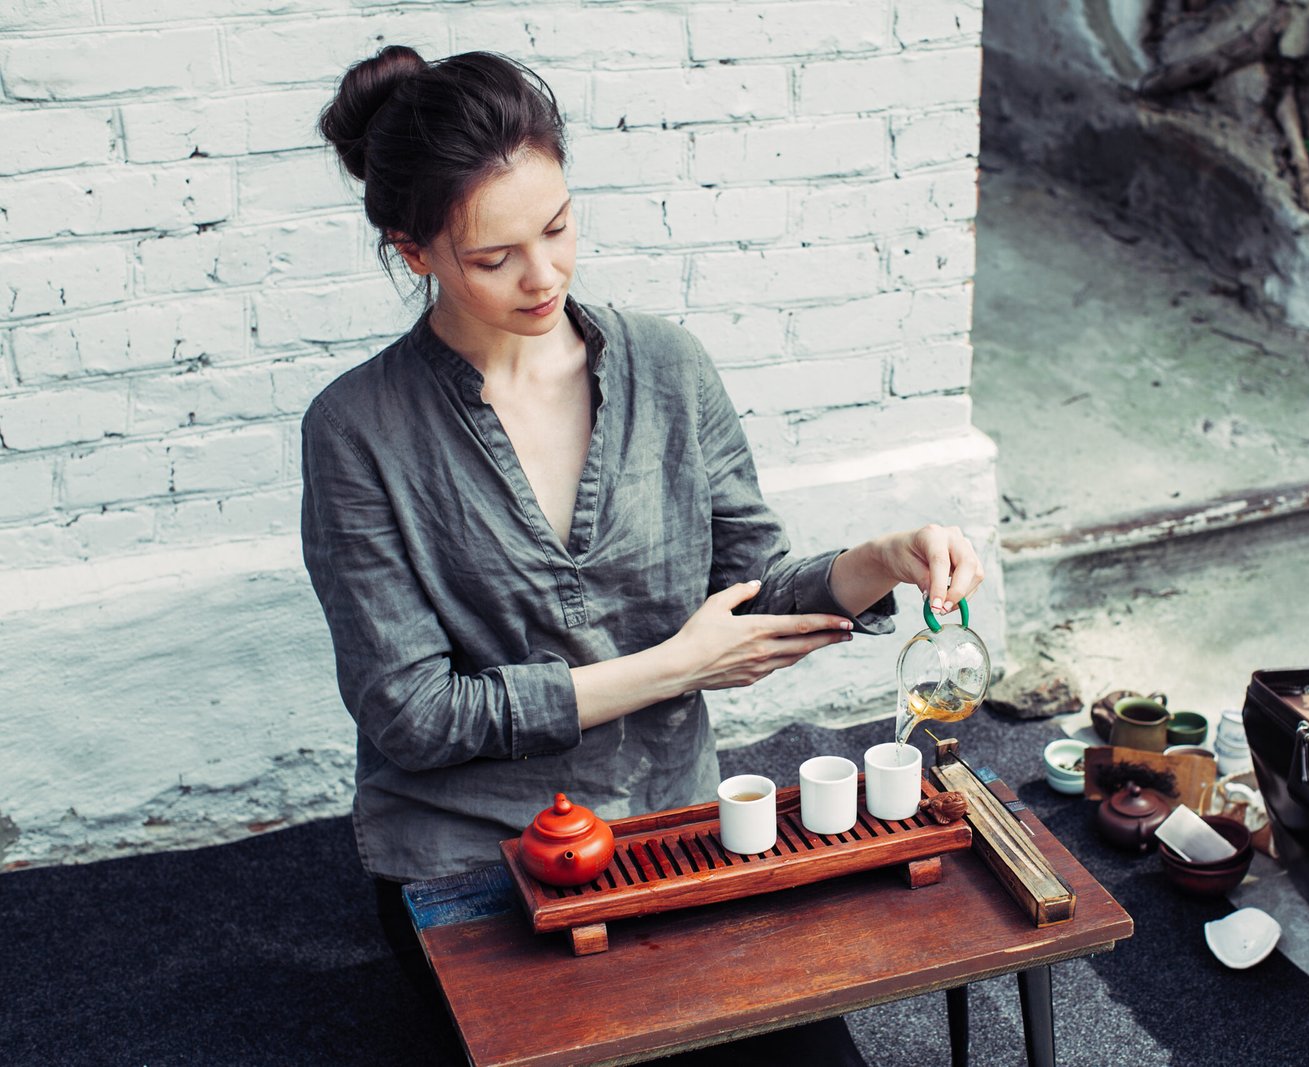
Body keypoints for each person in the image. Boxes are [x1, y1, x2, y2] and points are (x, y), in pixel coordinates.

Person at [303, 45, 985, 1064]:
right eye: (494, 257)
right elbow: (412, 714)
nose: (543, 275)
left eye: (558, 227)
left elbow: (755, 592)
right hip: (471, 847)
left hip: (669, 821)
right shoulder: (356, 428)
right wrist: (673, 667)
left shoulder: (666, 365)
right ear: (415, 254)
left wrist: (883, 557)